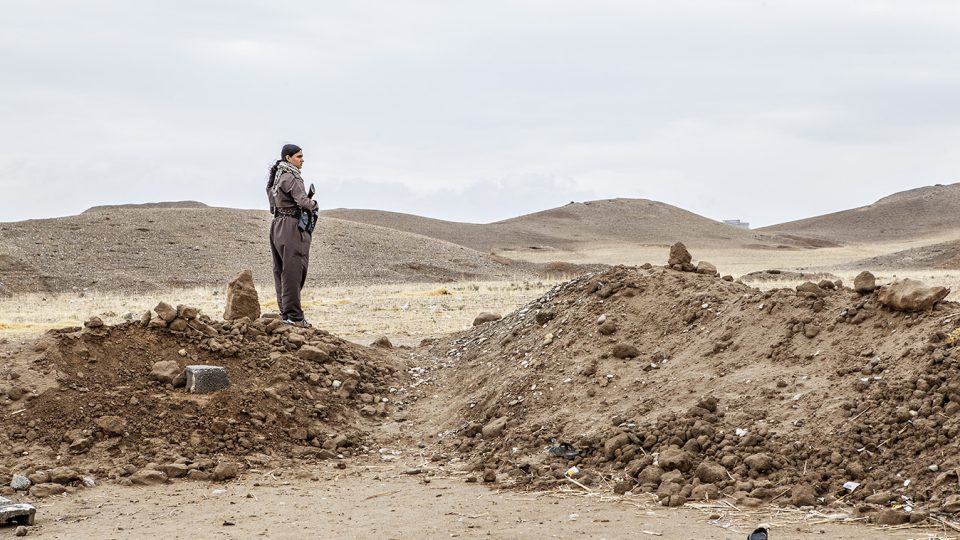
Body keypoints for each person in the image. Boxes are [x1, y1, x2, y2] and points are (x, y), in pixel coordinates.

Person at [266, 144, 318, 326]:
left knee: (280, 271)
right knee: (295, 271)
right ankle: (294, 317)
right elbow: (302, 202)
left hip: (276, 226)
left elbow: (273, 203)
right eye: (299, 156)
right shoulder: (292, 177)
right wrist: (314, 204)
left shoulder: (277, 177)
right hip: (291, 229)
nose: (302, 160)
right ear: (288, 158)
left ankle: (286, 313)